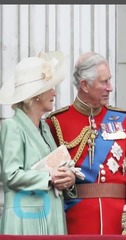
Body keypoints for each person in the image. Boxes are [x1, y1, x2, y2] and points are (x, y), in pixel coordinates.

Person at [46, 51, 126, 235]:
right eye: (104, 82)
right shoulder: (56, 123)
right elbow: (47, 175)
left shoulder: (122, 119)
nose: (110, 87)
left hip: (117, 224)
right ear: (84, 85)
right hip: (76, 223)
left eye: (109, 80)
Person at [0, 51, 76, 234]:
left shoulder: (45, 127)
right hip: (25, 220)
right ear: (36, 95)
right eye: (50, 88)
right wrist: (50, 177)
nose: (54, 93)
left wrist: (68, 178)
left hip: (52, 217)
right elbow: (11, 176)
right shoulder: (12, 126)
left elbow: (56, 165)